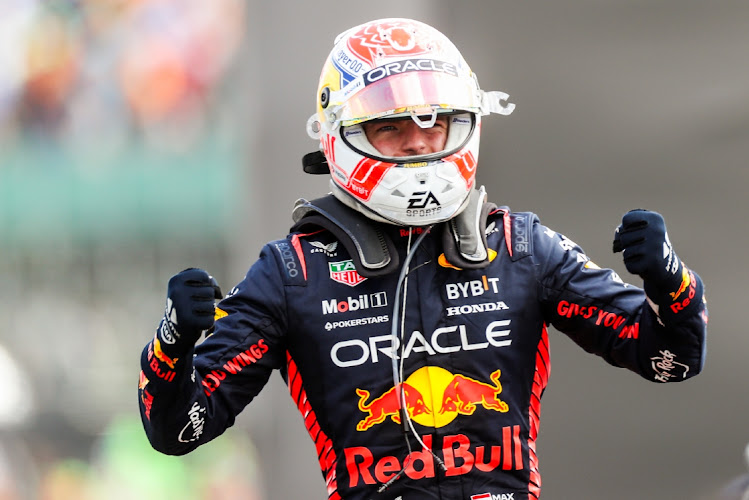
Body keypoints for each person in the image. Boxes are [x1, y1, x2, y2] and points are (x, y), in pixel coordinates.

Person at [137, 18, 708, 500]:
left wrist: (668, 280)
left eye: (433, 123)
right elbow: (178, 432)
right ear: (339, 137)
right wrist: (172, 341)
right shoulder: (291, 273)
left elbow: (673, 359)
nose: (416, 142)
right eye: (390, 127)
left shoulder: (521, 246)